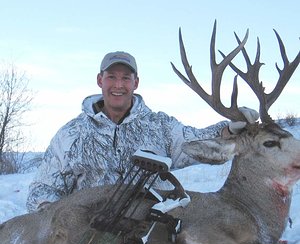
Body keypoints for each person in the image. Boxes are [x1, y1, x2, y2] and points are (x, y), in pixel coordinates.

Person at [26, 51, 258, 212]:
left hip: (152, 230)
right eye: (112, 77)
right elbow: (44, 188)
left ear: (136, 83)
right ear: (100, 80)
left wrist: (228, 129)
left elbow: (196, 143)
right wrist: (58, 218)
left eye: (126, 78)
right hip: (88, 228)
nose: (119, 85)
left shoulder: (160, 126)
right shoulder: (71, 134)